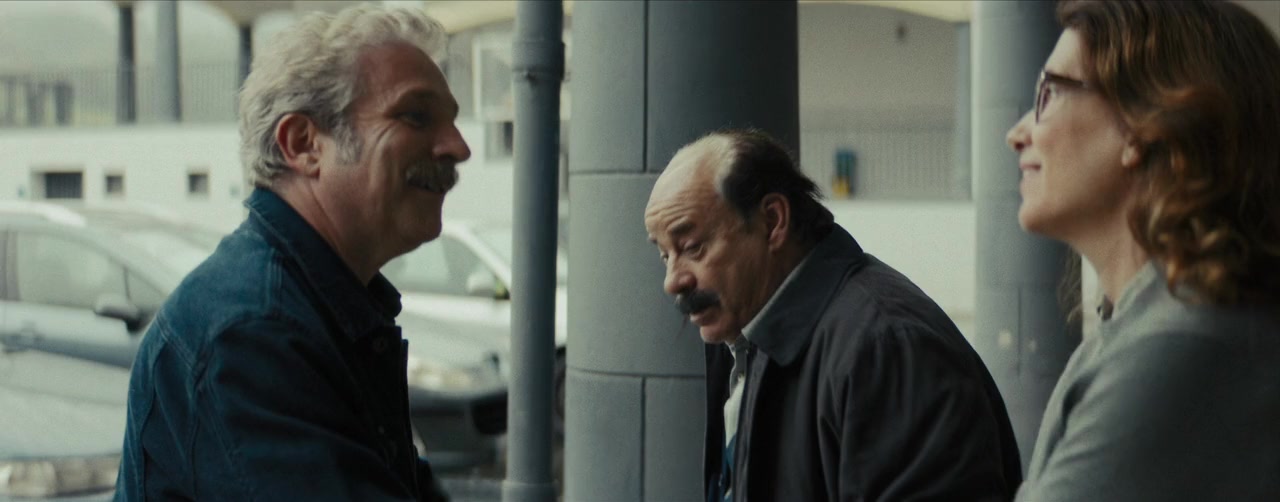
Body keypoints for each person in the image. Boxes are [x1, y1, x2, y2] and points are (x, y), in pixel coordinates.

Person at [114, 5, 470, 500]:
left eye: (452, 122)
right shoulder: (252, 332)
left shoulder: (314, 305)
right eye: (416, 116)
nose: (458, 147)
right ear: (303, 144)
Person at [643, 129, 1022, 501]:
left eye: (692, 247)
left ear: (772, 222)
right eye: (664, 255)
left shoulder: (887, 349)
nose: (673, 281)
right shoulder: (747, 333)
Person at [1005, 1, 1280, 500]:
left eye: (1050, 93)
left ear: (1143, 122)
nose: (1017, 134)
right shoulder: (1150, 326)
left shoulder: (1181, 345)